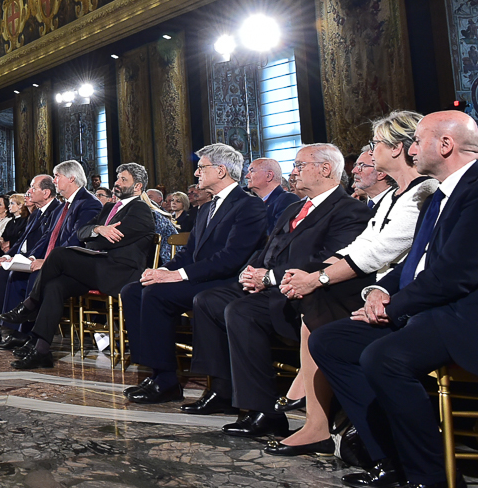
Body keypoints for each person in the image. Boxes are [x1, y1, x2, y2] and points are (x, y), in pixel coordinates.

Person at [309, 112, 478, 488]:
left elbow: (455, 273)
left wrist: (394, 308)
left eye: (417, 141)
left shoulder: (474, 188)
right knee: (330, 341)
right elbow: (418, 261)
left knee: (384, 357)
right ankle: (389, 456)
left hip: (462, 314)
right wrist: (380, 292)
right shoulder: (441, 191)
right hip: (430, 306)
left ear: (445, 145)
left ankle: (428, 476)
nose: (411, 149)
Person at [269, 114, 436, 458]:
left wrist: (318, 277)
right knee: (312, 293)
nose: (370, 153)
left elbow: (382, 250)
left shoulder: (425, 191)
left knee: (316, 298)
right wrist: (321, 268)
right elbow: (362, 242)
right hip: (369, 281)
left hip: (391, 286)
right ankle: (323, 419)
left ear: (399, 148)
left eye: (376, 145)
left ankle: (323, 420)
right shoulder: (392, 194)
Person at [185, 143, 369, 437]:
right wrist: (251, 271)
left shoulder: (350, 210)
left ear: (325, 169)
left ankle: (263, 410)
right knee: (208, 300)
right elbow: (270, 247)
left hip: (308, 295)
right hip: (271, 285)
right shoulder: (295, 207)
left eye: (299, 165)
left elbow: (324, 261)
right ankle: (222, 389)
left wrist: (268, 277)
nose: (293, 172)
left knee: (242, 311)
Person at [123, 144, 269, 404]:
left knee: (156, 295)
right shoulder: (205, 209)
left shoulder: (249, 206)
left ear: (221, 170)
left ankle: (167, 381)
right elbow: (188, 254)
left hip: (225, 281)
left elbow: (230, 259)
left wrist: (176, 276)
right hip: (200, 276)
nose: (196, 173)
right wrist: (161, 271)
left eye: (202, 167)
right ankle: (157, 372)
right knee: (133, 290)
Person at [0, 163, 157, 369]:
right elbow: (83, 232)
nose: (116, 183)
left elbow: (106, 241)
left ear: (137, 187)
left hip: (119, 272)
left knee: (58, 254)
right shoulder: (109, 207)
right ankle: (41, 350)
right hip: (97, 267)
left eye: (123, 180)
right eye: (117, 178)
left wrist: (97, 234)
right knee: (55, 285)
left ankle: (30, 304)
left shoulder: (140, 210)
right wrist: (99, 229)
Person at [0, 174, 62, 348]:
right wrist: (6, 256)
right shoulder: (37, 213)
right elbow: (22, 241)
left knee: (2, 273)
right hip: (23, 257)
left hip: (38, 260)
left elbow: (47, 242)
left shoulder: (56, 211)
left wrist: (22, 258)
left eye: (32, 188)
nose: (28, 191)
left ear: (45, 193)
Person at [246, 158, 301, 235]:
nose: (247, 176)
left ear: (269, 175)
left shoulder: (287, 199)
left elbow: (278, 236)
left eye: (251, 171)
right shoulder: (253, 205)